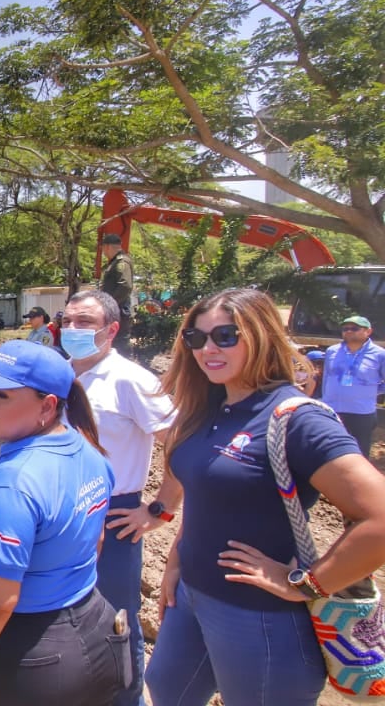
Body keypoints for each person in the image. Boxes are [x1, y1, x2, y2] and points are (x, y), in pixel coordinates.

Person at [144, 288, 385, 706]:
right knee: (167, 690)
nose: (208, 349)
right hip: (192, 597)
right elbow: (207, 495)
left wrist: (308, 584)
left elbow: (379, 518)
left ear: (260, 334)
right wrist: (177, 559)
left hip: (259, 616)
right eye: (196, 338)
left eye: (225, 335)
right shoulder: (207, 406)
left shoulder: (296, 419)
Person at [0, 340, 130, 706]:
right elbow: (95, 539)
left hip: (29, 654)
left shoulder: (14, 483)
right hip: (94, 628)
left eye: (3, 395)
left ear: (47, 406)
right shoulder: (87, 451)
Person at [60, 289, 177, 706]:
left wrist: (159, 509)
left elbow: (180, 443)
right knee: (67, 614)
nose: (72, 329)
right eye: (67, 320)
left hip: (114, 513)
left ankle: (127, 699)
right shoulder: (60, 374)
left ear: (112, 329)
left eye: (85, 322)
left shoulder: (132, 380)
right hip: (63, 511)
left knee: (116, 619)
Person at [320, 315, 385, 457]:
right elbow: (326, 379)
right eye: (345, 329)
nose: (348, 331)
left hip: (361, 412)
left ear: (368, 331)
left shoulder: (379, 355)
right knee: (329, 451)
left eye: (354, 328)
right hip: (332, 410)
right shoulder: (332, 351)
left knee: (358, 453)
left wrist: (371, 391)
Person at [99, 233, 135, 354]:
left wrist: (110, 304)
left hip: (118, 311)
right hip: (115, 310)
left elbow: (125, 285)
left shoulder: (121, 262)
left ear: (108, 247)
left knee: (120, 344)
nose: (103, 252)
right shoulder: (115, 262)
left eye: (103, 248)